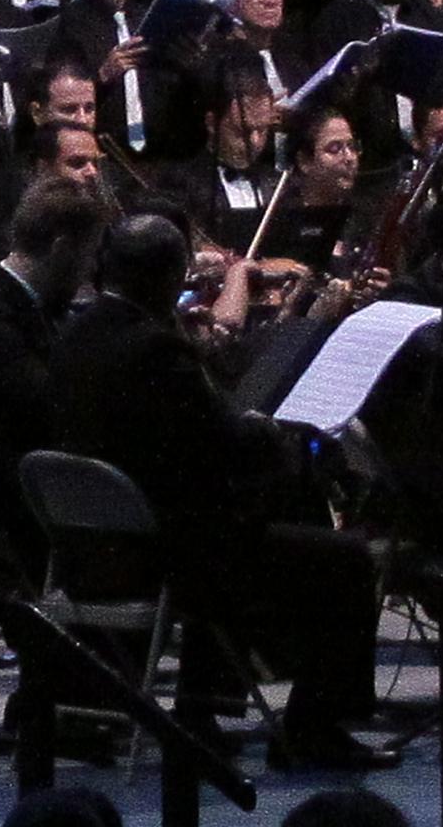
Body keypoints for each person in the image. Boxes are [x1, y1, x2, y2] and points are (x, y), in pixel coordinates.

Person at [41, 210, 388, 767]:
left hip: (89, 545)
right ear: (168, 278)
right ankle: (313, 727)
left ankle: (201, 711)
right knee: (342, 557)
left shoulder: (75, 335)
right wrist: (270, 433)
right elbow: (218, 446)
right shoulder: (155, 349)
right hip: (165, 551)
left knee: (237, 516)